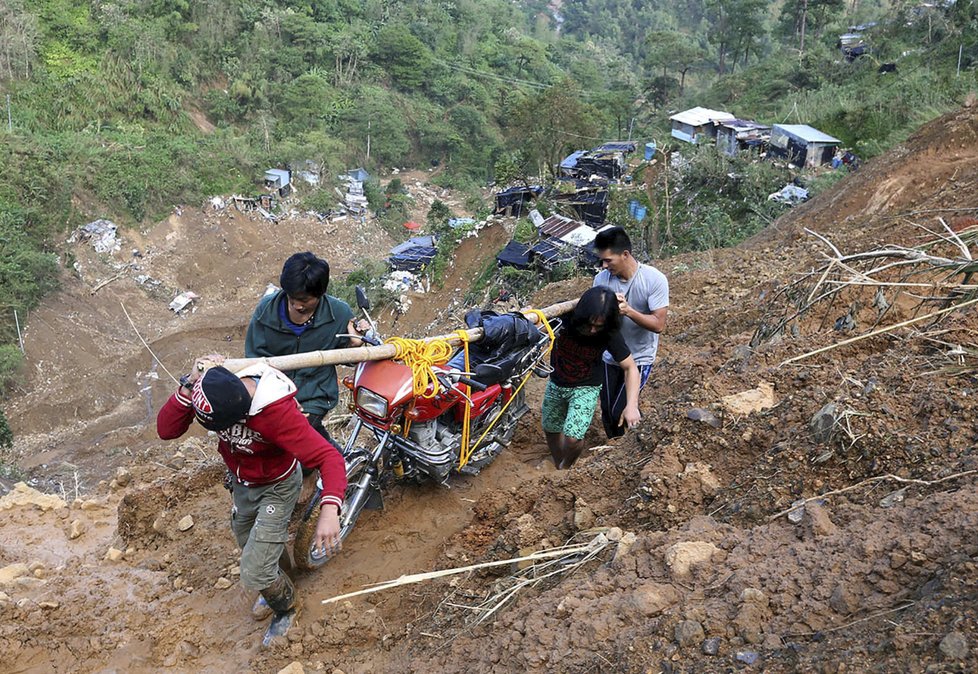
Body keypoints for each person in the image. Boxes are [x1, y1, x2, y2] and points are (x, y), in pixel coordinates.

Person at [156, 355, 347, 641]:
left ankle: (287, 608)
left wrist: (330, 510)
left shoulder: (276, 413)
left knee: (255, 570)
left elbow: (328, 456)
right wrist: (188, 384)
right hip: (243, 482)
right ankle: (280, 580)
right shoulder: (215, 383)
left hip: (277, 485)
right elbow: (166, 430)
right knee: (248, 540)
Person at [245, 252, 366, 442]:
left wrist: (354, 343)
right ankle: (335, 462)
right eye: (291, 298)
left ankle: (327, 464)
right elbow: (253, 359)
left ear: (320, 294)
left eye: (304, 301)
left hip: (315, 395)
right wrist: (277, 397)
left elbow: (349, 360)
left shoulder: (339, 314)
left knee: (295, 439)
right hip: (274, 396)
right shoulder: (266, 311)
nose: (296, 306)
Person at [541, 287, 641, 469]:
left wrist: (631, 405)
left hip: (585, 388)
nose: (593, 330)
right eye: (589, 325)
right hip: (556, 382)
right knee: (551, 428)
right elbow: (536, 322)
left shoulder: (609, 333)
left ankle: (566, 467)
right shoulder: (563, 317)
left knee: (573, 437)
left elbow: (630, 368)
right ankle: (557, 465)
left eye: (599, 326)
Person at [591, 227, 669, 438]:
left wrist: (629, 311)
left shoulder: (654, 280)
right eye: (602, 261)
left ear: (625, 254)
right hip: (611, 356)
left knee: (622, 410)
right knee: (608, 412)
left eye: (608, 261)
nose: (604, 266)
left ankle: (638, 440)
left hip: (640, 356)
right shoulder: (601, 280)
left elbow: (658, 324)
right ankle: (614, 446)